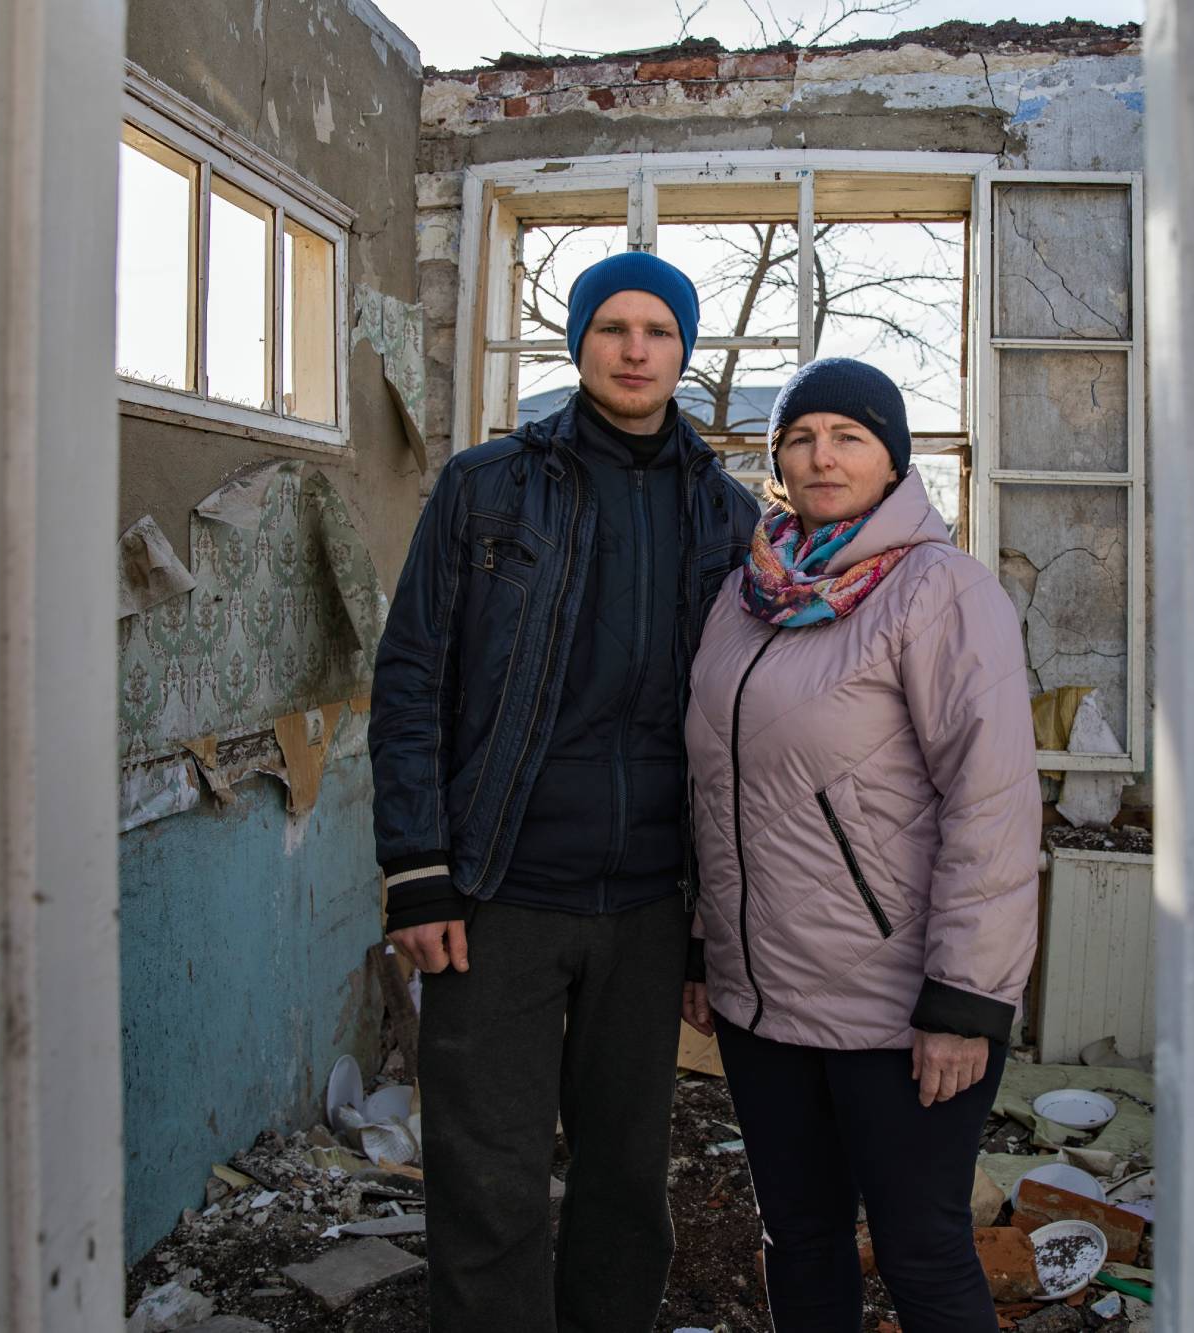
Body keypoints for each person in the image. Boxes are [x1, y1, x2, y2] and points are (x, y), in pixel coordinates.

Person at [370, 251, 760, 1333]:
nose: (635, 350)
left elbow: (740, 732)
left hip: (644, 902)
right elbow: (411, 679)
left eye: (659, 332)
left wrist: (703, 926)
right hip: (497, 891)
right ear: (579, 343)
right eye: (612, 328)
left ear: (684, 352)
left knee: (627, 1183)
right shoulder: (486, 488)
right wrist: (417, 869)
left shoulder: (727, 519)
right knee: (487, 1176)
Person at [680, 357, 1041, 1332]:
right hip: (763, 1002)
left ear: (891, 459)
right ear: (777, 461)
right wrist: (705, 947)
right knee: (797, 1238)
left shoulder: (940, 591)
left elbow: (992, 799)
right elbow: (717, 785)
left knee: (922, 1253)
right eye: (799, 437)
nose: (820, 454)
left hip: (897, 1010)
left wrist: (965, 999)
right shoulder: (745, 594)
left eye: (847, 434)